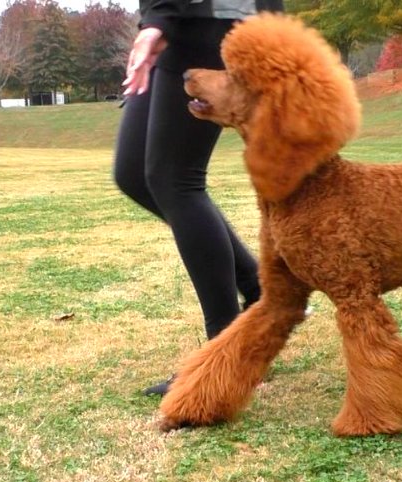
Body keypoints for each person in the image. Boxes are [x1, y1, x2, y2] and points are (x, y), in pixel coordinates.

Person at [113, 0, 285, 397]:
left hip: (215, 22)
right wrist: (156, 20)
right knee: (134, 174)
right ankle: (261, 291)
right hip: (177, 22)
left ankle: (229, 354)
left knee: (176, 180)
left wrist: (157, 22)